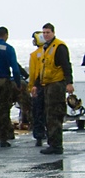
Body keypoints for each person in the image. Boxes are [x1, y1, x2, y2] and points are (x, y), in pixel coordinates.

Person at [34, 22, 75, 155]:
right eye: (44, 33)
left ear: (53, 33)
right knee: (48, 114)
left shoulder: (59, 46)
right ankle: (53, 143)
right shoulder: (46, 48)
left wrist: (69, 82)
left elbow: (66, 65)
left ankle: (56, 145)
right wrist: (36, 84)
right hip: (47, 85)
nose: (46, 35)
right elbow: (42, 69)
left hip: (57, 84)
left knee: (54, 114)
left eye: (48, 32)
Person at [27, 31, 47, 146]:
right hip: (49, 85)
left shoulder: (34, 55)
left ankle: (39, 136)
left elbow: (33, 73)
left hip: (38, 85)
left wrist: (31, 87)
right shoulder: (49, 51)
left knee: (38, 112)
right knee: (49, 111)